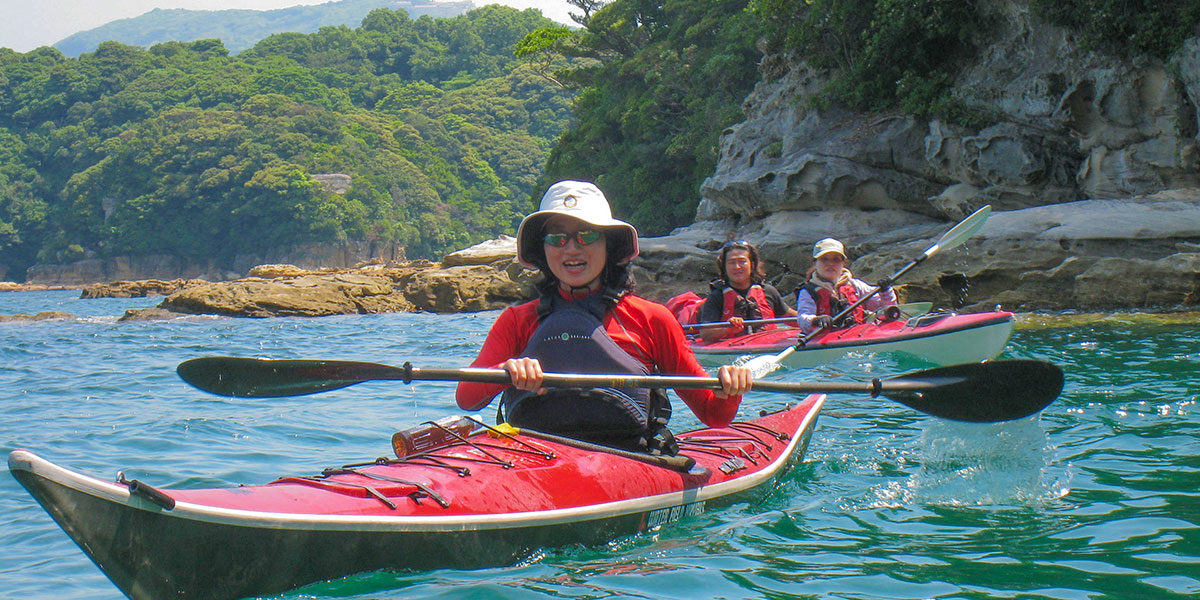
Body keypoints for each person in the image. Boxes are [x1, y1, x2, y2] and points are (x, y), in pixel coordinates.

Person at [455, 180, 753, 453]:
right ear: (542, 249)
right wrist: (505, 370)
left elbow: (713, 415)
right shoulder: (516, 321)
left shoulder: (652, 319)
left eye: (587, 235)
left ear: (608, 244)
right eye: (557, 238)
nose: (572, 248)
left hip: (628, 459)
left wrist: (730, 389)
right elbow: (466, 398)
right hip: (536, 460)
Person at [696, 241, 796, 343]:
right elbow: (706, 334)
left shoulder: (768, 291)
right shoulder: (717, 296)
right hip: (733, 350)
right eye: (731, 262)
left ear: (751, 264)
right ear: (724, 267)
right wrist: (728, 329)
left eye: (742, 261)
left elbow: (792, 318)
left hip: (768, 347)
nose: (737, 267)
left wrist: (811, 320)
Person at [795, 237, 897, 332]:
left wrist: (886, 292)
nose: (830, 264)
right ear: (815, 262)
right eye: (824, 259)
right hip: (826, 338)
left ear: (843, 262)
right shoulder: (808, 291)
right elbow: (803, 318)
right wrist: (815, 320)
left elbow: (885, 309)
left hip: (859, 333)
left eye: (836, 259)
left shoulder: (855, 285)